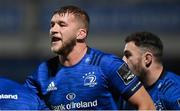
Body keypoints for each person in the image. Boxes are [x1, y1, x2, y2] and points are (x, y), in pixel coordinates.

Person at [24, 5, 155, 110]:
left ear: (81, 34)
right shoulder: (41, 73)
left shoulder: (108, 64)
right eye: (52, 25)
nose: (53, 29)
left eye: (62, 25)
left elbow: (147, 106)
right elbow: (20, 103)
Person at [122, 31, 180, 110]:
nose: (123, 61)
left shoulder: (174, 90)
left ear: (147, 59)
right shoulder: (130, 92)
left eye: (128, 55)